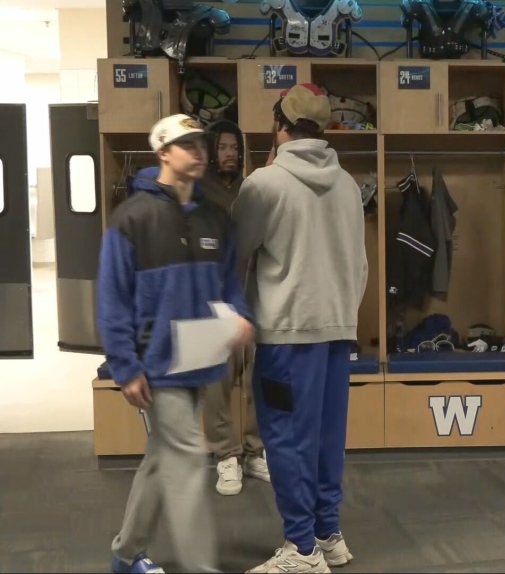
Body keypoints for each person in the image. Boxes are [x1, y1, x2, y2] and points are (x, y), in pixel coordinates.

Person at [98, 114, 255, 574]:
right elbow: (111, 299)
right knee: (187, 460)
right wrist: (125, 366)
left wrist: (239, 316)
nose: (201, 152)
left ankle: (126, 555)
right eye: (188, 145)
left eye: (202, 144)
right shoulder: (132, 218)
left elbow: (229, 282)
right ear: (163, 153)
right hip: (156, 364)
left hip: (200, 361)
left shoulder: (214, 217)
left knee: (161, 457)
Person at [232, 84, 368, 573]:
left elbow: (238, 255)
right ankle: (329, 536)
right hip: (337, 328)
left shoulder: (264, 184)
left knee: (287, 440)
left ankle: (302, 550)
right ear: (326, 129)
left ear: (279, 123)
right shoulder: (349, 184)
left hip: (287, 332)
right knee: (329, 437)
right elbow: (361, 267)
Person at [200, 119, 271, 495]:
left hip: (252, 299)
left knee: (259, 378)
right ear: (212, 150)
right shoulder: (199, 192)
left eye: (235, 147)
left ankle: (255, 451)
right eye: (223, 147)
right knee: (217, 381)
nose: (231, 153)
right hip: (214, 303)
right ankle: (226, 456)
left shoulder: (251, 189)